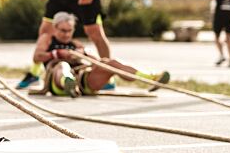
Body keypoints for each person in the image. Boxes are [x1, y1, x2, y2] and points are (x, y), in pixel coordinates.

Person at [33, 11, 168, 96]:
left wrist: (83, 54)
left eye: (69, 31)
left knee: (110, 63)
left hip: (82, 81)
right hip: (56, 83)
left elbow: (96, 61)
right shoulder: (47, 39)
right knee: (63, 65)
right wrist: (57, 54)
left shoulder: (75, 44)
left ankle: (150, 78)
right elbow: (37, 57)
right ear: (55, 28)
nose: (66, 34)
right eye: (63, 30)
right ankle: (68, 82)